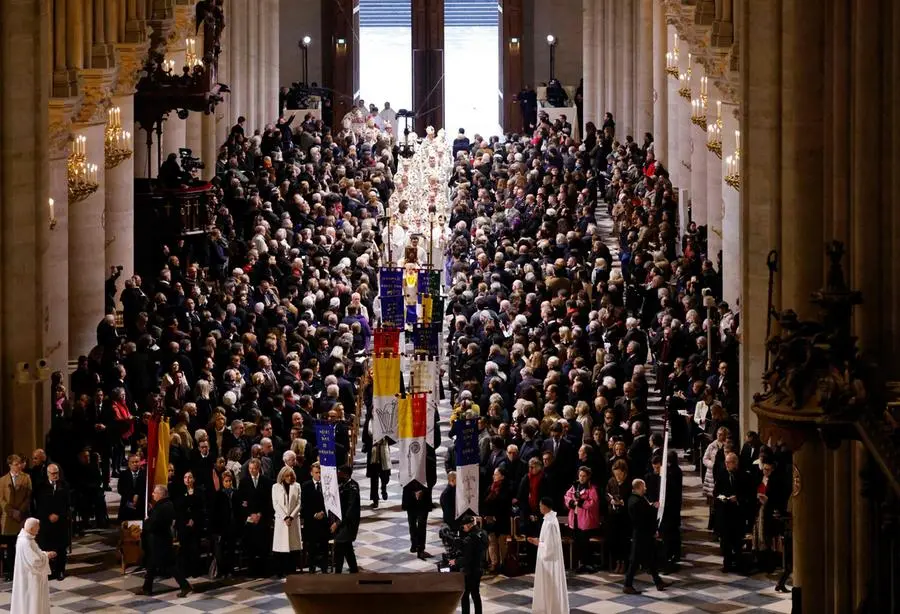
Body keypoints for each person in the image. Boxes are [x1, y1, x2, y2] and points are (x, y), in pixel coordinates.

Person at [140, 485, 192, 597]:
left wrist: (146, 522)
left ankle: (185, 586)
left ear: (160, 494)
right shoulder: (166, 505)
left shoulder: (161, 507)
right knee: (151, 566)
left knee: (170, 566)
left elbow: (153, 525)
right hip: (160, 541)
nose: (153, 494)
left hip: (160, 542)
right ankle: (146, 588)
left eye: (154, 492)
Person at [623, 478, 670, 594]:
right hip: (642, 535)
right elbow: (644, 518)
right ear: (639, 487)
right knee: (634, 562)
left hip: (643, 534)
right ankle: (627, 585)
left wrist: (650, 506)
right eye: (644, 486)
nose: (646, 488)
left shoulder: (635, 499)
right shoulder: (636, 502)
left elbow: (645, 511)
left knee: (651, 559)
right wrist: (653, 509)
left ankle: (658, 582)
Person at [529, 497, 568, 614]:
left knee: (550, 586)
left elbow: (550, 547)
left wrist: (538, 543)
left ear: (545, 507)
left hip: (550, 561)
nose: (539, 508)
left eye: (540, 506)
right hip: (547, 558)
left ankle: (551, 609)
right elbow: (547, 540)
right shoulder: (548, 519)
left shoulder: (550, 522)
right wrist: (539, 541)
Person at [34, 464, 69, 580]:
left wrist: (59, 515)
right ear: (48, 474)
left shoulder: (64, 486)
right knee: (46, 546)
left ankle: (60, 571)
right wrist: (48, 515)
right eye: (53, 473)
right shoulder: (41, 488)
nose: (55, 476)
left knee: (61, 547)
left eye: (57, 473)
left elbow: (67, 504)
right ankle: (48, 570)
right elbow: (39, 505)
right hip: (46, 522)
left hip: (61, 521)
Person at [11, 518, 54, 614]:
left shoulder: (26, 539)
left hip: (28, 577)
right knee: (31, 603)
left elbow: (35, 554)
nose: (38, 531)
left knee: (27, 602)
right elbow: (35, 562)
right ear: (31, 529)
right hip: (30, 578)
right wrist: (47, 556)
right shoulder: (25, 542)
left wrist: (44, 554)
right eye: (37, 529)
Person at [1, 453, 33, 580]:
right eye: (16, 464)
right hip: (8, 518)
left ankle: (23, 571)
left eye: (19, 464)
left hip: (21, 515)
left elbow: (28, 496)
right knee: (10, 547)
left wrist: (19, 510)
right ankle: (11, 573)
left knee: (22, 544)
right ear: (10, 465)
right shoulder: (2, 480)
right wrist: (11, 511)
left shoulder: (26, 478)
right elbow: (1, 499)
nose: (19, 466)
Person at [563, 466, 601, 573]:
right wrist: (572, 502)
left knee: (585, 543)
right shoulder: (575, 486)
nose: (582, 478)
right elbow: (567, 496)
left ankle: (588, 564)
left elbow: (593, 503)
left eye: (584, 476)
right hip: (575, 518)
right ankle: (581, 563)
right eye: (580, 475)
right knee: (578, 542)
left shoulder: (592, 488)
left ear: (588, 477)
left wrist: (580, 503)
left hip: (586, 520)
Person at [271, 465, 302, 576]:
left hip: (293, 520)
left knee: (293, 547)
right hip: (281, 520)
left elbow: (299, 503)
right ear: (282, 476)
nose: (289, 477)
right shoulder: (275, 487)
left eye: (290, 475)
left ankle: (291, 570)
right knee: (281, 546)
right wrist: (285, 517)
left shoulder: (297, 486)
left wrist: (291, 517)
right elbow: (276, 504)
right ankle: (280, 571)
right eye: (287, 476)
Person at [300, 462, 330, 573]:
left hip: (324, 522)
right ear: (311, 473)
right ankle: (312, 568)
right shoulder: (306, 486)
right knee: (312, 547)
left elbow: (331, 502)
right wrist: (314, 514)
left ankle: (324, 568)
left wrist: (323, 513)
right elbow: (304, 504)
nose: (318, 475)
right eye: (316, 473)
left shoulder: (327, 485)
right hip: (311, 522)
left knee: (324, 546)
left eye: (320, 472)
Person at [455, 514, 487, 614]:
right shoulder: (483, 533)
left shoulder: (470, 539)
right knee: (475, 594)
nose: (463, 528)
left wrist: (455, 562)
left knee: (465, 595)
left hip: (471, 570)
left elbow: (467, 558)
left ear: (469, 525)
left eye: (464, 526)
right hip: (480, 568)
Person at [332, 464, 361, 573]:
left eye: (340, 473)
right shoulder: (342, 485)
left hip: (348, 523)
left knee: (339, 545)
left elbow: (350, 509)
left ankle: (338, 572)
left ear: (346, 474)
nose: (338, 475)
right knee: (347, 547)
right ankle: (354, 570)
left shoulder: (352, 487)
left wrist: (338, 523)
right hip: (342, 522)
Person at [402, 478, 431, 559]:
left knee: (420, 524)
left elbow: (431, 478)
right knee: (413, 523)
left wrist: (423, 491)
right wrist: (413, 493)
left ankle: (419, 548)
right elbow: (402, 478)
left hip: (423, 496)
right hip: (410, 496)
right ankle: (415, 545)